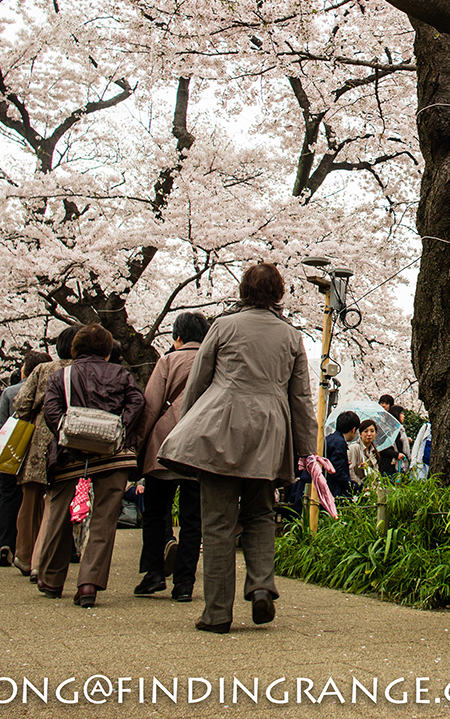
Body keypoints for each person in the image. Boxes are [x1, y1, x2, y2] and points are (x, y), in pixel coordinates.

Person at [159, 262, 319, 633]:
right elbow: (301, 399)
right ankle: (262, 586)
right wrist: (306, 451)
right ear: (279, 293)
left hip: (220, 428)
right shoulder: (291, 336)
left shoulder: (223, 326)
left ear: (243, 290)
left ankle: (217, 613)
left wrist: (187, 427)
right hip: (269, 431)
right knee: (261, 514)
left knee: (216, 524)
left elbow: (197, 383)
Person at [34, 324, 145, 607]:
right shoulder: (121, 374)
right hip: (112, 455)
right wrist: (120, 428)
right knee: (104, 520)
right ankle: (88, 585)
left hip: (70, 455)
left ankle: (51, 578)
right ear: (107, 351)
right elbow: (137, 401)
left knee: (59, 515)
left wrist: (68, 431)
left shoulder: (62, 375)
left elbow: (51, 410)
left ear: (75, 349)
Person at [133, 311, 207, 603]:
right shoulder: (215, 362)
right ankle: (185, 583)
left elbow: (150, 406)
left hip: (164, 446)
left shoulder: (167, 360)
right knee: (193, 518)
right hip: (200, 447)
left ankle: (153, 574)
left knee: (154, 511)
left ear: (177, 337)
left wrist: (138, 446)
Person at [12, 326, 76, 577]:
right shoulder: (81, 370)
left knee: (30, 499)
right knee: (58, 498)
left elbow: (21, 404)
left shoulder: (42, 369)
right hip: (68, 434)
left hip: (40, 434)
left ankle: (25, 555)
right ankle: (47, 557)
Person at [0, 352, 43, 567]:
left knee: (8, 496)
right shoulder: (50, 387)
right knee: (35, 497)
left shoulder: (10, 392)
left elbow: (0, 425)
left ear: (25, 369)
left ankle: (5, 543)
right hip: (37, 448)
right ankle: (31, 544)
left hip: (13, 446)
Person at [324, 411, 361, 499]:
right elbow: (337, 471)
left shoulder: (331, 438)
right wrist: (355, 487)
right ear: (353, 429)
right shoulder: (339, 442)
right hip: (331, 489)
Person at [349, 419, 381, 486]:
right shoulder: (355, 448)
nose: (369, 434)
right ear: (360, 434)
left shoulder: (373, 451)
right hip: (359, 488)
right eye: (366, 431)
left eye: (372, 431)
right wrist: (361, 486)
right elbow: (351, 472)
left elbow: (376, 473)